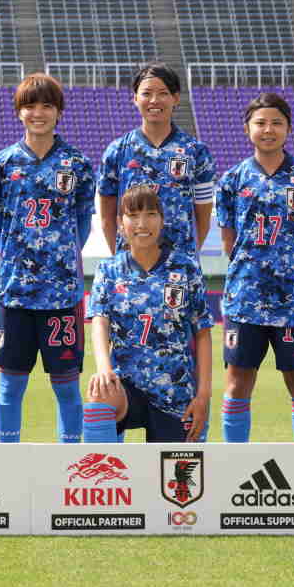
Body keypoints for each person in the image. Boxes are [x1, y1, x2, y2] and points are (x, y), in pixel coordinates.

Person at [0, 73, 94, 443]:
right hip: (15, 293)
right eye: (30, 105)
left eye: (47, 105)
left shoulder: (76, 164)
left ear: (59, 112)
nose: (38, 113)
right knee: (10, 387)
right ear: (19, 112)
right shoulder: (1, 164)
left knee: (66, 388)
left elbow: (82, 222)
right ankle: (8, 457)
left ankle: (68, 460)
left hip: (62, 294)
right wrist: (20, 257)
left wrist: (58, 258)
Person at [216, 93, 294, 443]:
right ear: (247, 128)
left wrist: (285, 270)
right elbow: (228, 240)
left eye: (277, 122)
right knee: (237, 382)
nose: (268, 129)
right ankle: (235, 463)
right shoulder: (232, 180)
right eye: (261, 122)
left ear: (289, 129)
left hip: (293, 304)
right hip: (244, 301)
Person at [83, 185, 212, 442]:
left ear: (162, 220)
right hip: (127, 386)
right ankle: (104, 476)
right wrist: (104, 369)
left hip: (174, 392)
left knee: (178, 478)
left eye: (151, 213)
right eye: (133, 215)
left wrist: (203, 397)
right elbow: (100, 322)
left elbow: (203, 334)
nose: (142, 223)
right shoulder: (109, 270)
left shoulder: (185, 268)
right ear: (121, 223)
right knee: (100, 393)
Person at [97, 62, 215, 259]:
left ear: (176, 98)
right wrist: (121, 258)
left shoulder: (196, 152)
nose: (154, 100)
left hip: (179, 265)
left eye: (162, 93)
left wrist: (188, 257)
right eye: (146, 93)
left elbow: (203, 219)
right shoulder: (117, 151)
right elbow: (108, 218)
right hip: (130, 266)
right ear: (134, 98)